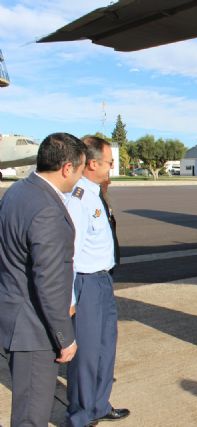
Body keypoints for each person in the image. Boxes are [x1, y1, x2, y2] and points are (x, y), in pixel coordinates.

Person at [0, 132, 85, 426]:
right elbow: (48, 282)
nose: (78, 179)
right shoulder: (47, 209)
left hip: (14, 317)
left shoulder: (18, 191)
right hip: (33, 330)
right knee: (31, 416)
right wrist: (65, 337)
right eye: (80, 170)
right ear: (67, 168)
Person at [65, 136, 129, 426]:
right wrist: (70, 299)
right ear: (92, 164)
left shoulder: (95, 194)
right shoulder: (78, 197)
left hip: (103, 281)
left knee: (105, 347)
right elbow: (70, 251)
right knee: (86, 354)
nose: (111, 167)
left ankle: (100, 405)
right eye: (109, 162)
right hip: (86, 282)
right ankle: (80, 416)